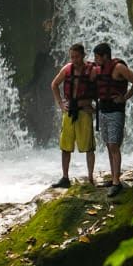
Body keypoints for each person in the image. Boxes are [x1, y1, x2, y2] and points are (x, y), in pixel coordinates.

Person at [89, 42, 133, 196]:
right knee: (108, 145)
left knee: (114, 146)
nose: (96, 59)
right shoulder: (99, 69)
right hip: (103, 111)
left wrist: (124, 98)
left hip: (115, 112)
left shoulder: (118, 68)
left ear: (105, 56)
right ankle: (113, 178)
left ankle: (117, 183)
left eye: (97, 57)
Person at [49, 43, 96, 188]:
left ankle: (90, 177)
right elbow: (54, 84)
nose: (74, 60)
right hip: (69, 111)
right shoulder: (67, 69)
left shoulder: (92, 70)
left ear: (83, 55)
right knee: (65, 147)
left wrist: (94, 105)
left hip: (84, 112)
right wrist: (60, 104)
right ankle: (65, 177)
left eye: (76, 57)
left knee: (89, 147)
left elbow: (99, 87)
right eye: (72, 57)